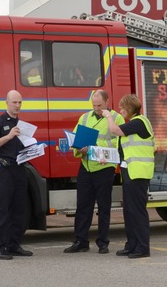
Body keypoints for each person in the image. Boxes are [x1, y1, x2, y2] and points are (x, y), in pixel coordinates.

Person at [64, 90, 124, 254]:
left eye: (99, 105)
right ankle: (81, 241)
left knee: (104, 207)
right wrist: (79, 149)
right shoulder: (84, 118)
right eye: (94, 105)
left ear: (107, 102)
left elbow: (118, 143)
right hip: (86, 165)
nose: (96, 108)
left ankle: (103, 242)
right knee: (83, 206)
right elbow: (75, 139)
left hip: (104, 167)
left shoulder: (116, 118)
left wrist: (92, 146)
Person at [102, 94, 155, 259]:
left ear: (130, 108)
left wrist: (109, 116)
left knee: (137, 211)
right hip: (130, 173)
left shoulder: (139, 122)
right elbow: (124, 151)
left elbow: (114, 130)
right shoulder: (133, 124)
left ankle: (142, 247)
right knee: (129, 211)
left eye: (122, 107)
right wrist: (107, 159)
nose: (120, 110)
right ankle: (132, 245)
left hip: (138, 173)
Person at [0, 90, 33, 260]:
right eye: (14, 102)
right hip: (3, 169)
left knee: (19, 208)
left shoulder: (22, 124)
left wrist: (33, 149)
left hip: (19, 167)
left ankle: (13, 245)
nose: (18, 106)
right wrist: (8, 136)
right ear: (7, 103)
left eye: (20, 102)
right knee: (1, 209)